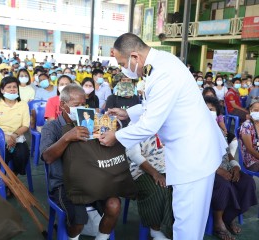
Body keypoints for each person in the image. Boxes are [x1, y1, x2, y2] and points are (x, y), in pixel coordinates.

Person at [99, 33, 227, 240]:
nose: (123, 68)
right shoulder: (160, 63)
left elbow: (150, 124)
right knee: (186, 215)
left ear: (135, 57)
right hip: (189, 148)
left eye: (123, 63)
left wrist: (116, 136)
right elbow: (154, 104)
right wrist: (128, 113)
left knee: (188, 219)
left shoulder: (163, 72)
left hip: (194, 153)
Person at [40, 85, 121, 240]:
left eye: (84, 105)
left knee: (114, 204)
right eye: (76, 106)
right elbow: (47, 157)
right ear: (63, 105)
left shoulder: (91, 123)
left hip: (92, 179)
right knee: (79, 220)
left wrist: (109, 134)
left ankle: (102, 237)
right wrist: (66, 137)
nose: (82, 109)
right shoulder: (51, 128)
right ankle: (72, 237)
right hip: (64, 183)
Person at [127, 134, 173, 240]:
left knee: (180, 190)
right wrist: (155, 174)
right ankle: (155, 230)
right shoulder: (135, 127)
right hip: (140, 171)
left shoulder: (166, 124)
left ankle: (172, 228)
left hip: (168, 168)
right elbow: (134, 155)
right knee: (158, 190)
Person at [0, 76, 30, 175]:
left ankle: (13, 178)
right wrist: (5, 137)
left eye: (14, 87)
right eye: (8, 87)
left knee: (22, 155)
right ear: (2, 90)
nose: (12, 89)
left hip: (16, 136)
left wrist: (13, 136)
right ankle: (0, 177)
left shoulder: (23, 104)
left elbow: (25, 125)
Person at [240, 99, 259, 172]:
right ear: (251, 111)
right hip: (251, 159)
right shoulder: (246, 126)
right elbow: (250, 149)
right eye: (256, 110)